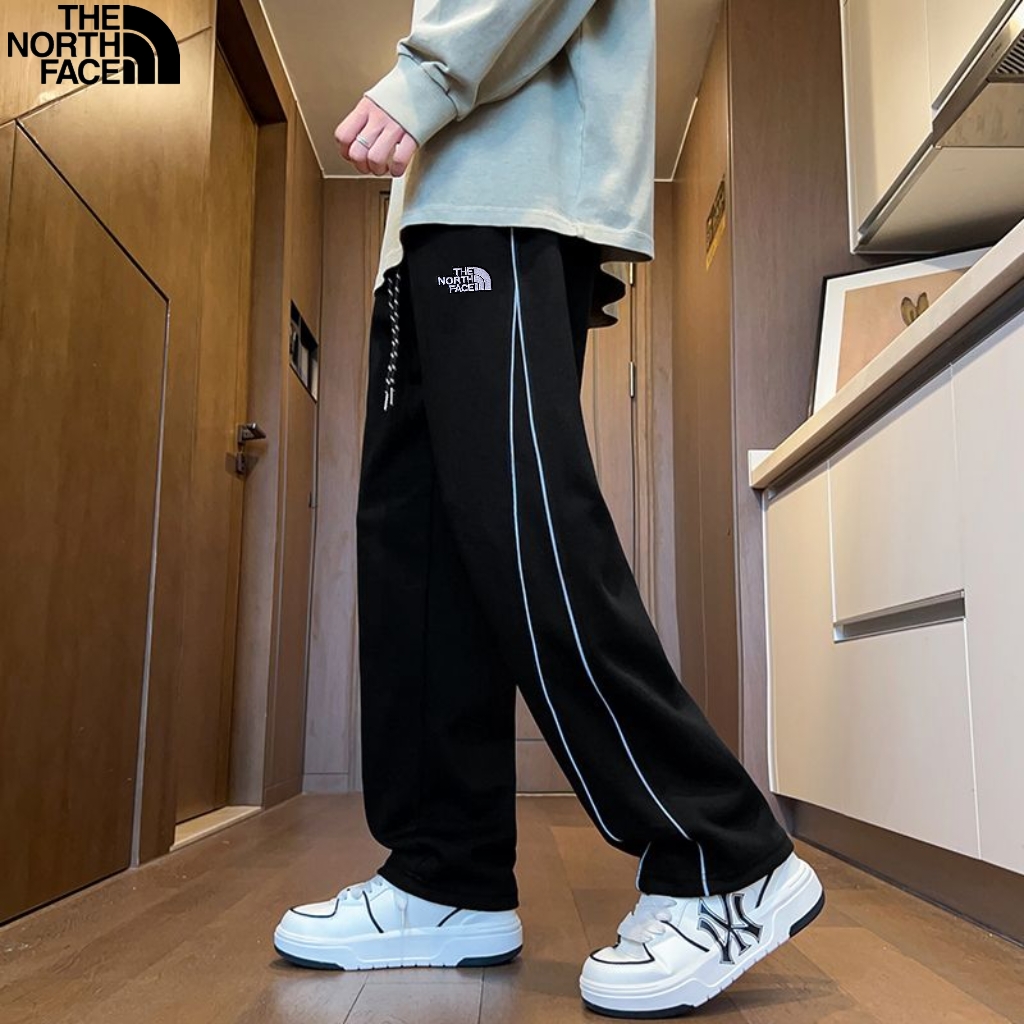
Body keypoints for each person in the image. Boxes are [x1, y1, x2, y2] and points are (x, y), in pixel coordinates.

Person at [272, 0, 824, 1016]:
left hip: (507, 192)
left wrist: (428, 74)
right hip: (433, 217)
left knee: (521, 529)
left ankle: (720, 852)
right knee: (418, 552)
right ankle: (446, 873)